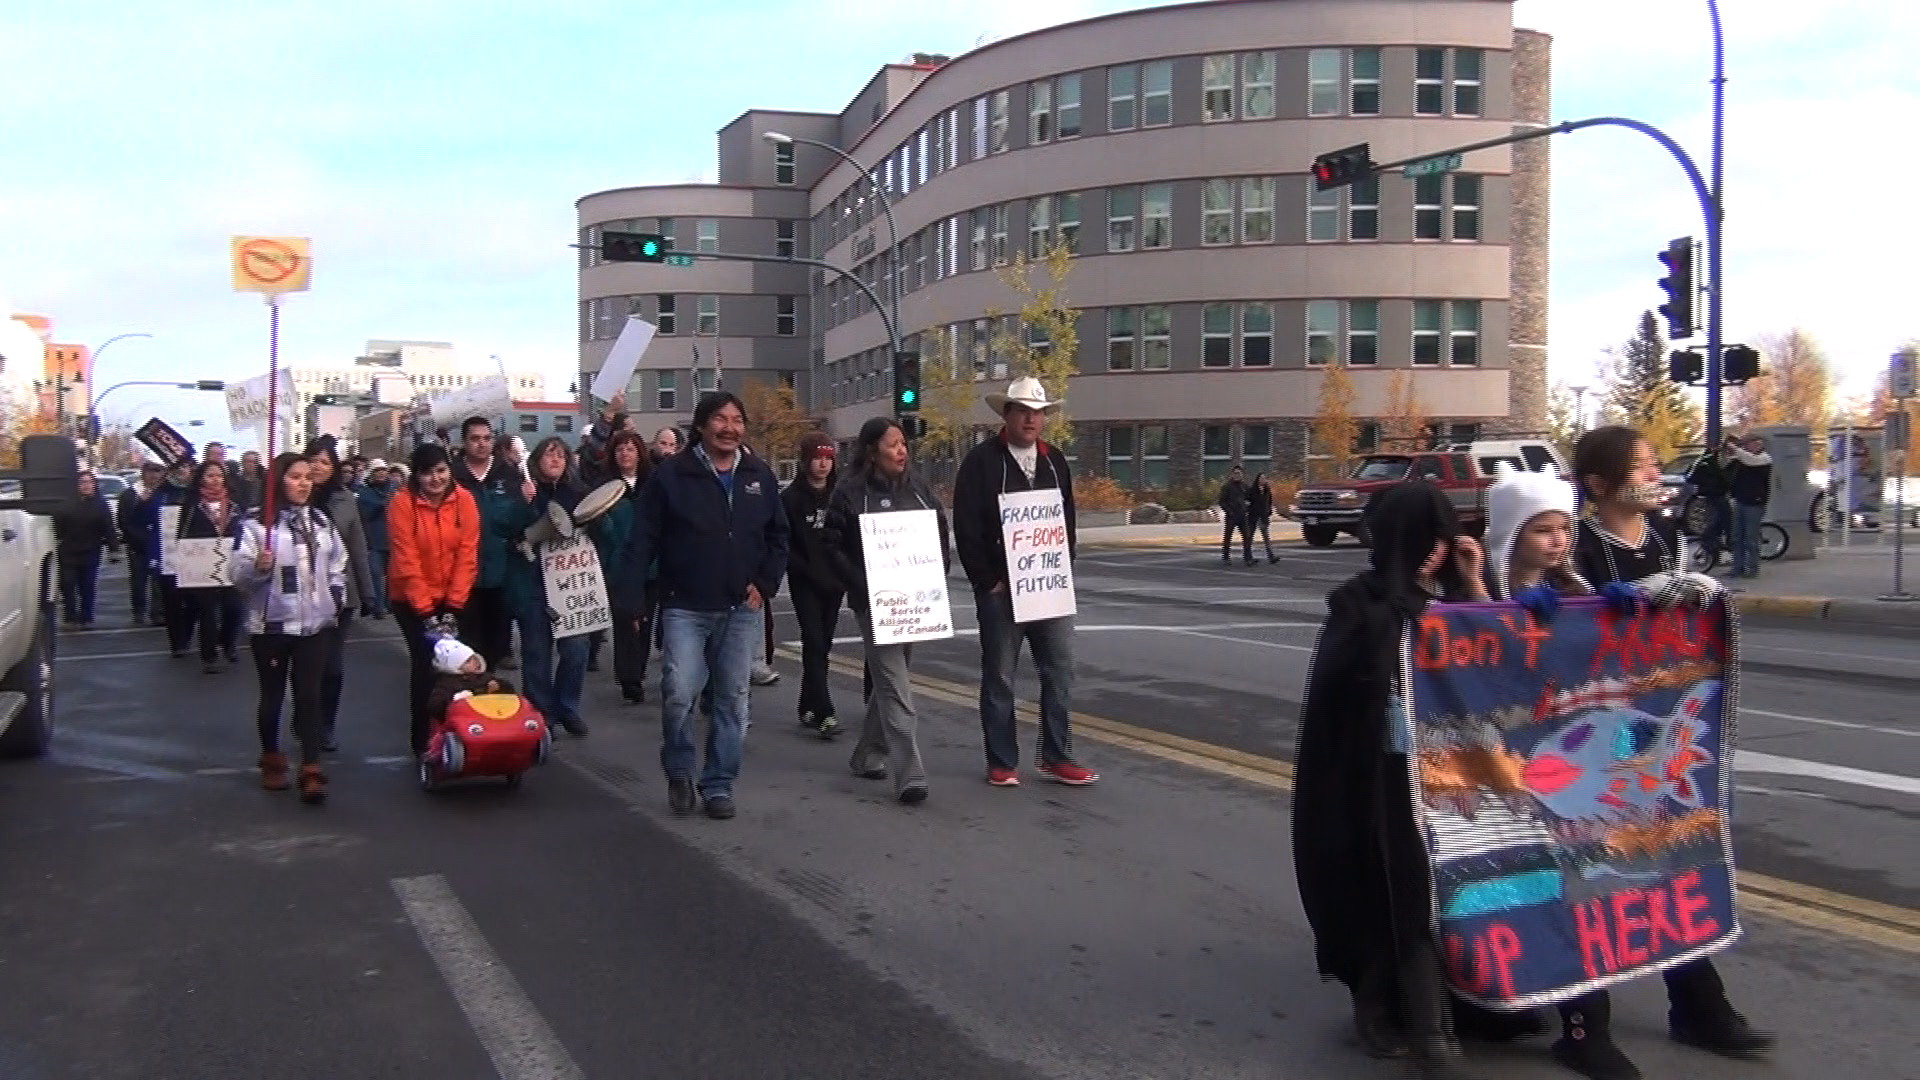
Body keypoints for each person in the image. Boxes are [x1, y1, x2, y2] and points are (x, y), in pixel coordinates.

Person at [1565, 425, 1773, 1076]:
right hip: (1595, 750)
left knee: (1674, 866)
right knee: (1590, 881)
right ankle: (1582, 1026)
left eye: (1656, 464)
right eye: (1643, 466)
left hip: (1656, 740)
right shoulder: (1578, 548)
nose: (1655, 474)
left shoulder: (1660, 541)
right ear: (1600, 486)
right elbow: (1559, 642)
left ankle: (1698, 1006)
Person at [1294, 481, 1490, 1080]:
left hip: (1455, 775)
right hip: (1376, 776)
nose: (1436, 550)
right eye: (1425, 539)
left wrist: (1474, 581)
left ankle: (1456, 995)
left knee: (1452, 885)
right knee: (1388, 886)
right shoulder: (1357, 600)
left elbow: (1505, 653)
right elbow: (1350, 677)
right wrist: (1409, 607)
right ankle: (1377, 998)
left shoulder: (1458, 597)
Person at [618, 391, 788, 820]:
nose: (729, 427)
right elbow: (643, 540)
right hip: (684, 607)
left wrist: (764, 584)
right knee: (678, 693)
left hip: (740, 609)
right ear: (701, 426)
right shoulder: (672, 476)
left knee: (732, 701)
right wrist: (632, 596)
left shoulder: (759, 475)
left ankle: (718, 784)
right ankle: (679, 768)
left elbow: (779, 538)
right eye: (719, 419)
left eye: (737, 419)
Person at [951, 376, 1096, 787]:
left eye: (1038, 412)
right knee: (1000, 675)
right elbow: (966, 525)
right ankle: (1002, 761)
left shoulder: (1055, 461)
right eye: (1023, 411)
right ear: (1007, 414)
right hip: (1001, 590)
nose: (1031, 419)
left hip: (1048, 586)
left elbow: (1065, 521)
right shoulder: (980, 462)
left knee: (1060, 671)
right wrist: (987, 580)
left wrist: (1061, 568)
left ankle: (1057, 755)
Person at [825, 417, 950, 804]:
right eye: (893, 444)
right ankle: (910, 773)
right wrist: (863, 584)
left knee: (889, 679)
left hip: (914, 601)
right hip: (874, 603)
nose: (902, 451)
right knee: (895, 683)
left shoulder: (918, 487)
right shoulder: (849, 492)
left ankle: (867, 753)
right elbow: (831, 546)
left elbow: (940, 530)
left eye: (903, 444)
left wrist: (937, 573)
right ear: (871, 451)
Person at [233, 452, 348, 804]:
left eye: (307, 477)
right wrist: (258, 567)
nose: (303, 483)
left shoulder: (320, 522)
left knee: (310, 695)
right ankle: (272, 759)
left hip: (315, 625)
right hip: (271, 626)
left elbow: (336, 562)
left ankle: (311, 768)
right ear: (279, 481)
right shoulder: (256, 525)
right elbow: (238, 577)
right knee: (273, 696)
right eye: (295, 477)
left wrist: (336, 595)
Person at [388, 442, 482, 759]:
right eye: (427, 473)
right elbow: (406, 560)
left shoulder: (465, 500)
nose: (435, 479)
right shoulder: (402, 504)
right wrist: (426, 612)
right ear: (416, 475)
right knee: (427, 665)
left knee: (459, 666)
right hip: (412, 599)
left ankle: (460, 733)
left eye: (441, 470)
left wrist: (454, 607)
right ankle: (423, 741)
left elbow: (467, 555)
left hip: (454, 595)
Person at [498, 436, 594, 737]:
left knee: (576, 649)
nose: (556, 460)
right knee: (537, 651)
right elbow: (504, 527)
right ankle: (542, 713)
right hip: (533, 583)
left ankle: (568, 706)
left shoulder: (577, 493)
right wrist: (524, 505)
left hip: (569, 586)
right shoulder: (522, 491)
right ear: (537, 460)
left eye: (561, 456)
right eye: (550, 455)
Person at [306, 436, 377, 753]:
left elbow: (358, 547)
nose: (318, 467)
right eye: (313, 460)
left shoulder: (346, 499)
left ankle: (326, 725)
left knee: (332, 666)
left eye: (325, 462)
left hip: (338, 595)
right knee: (307, 664)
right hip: (298, 596)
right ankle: (305, 719)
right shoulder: (293, 494)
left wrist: (368, 592)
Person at [782, 431, 844, 737]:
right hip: (805, 581)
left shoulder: (840, 495)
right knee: (814, 640)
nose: (822, 464)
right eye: (817, 458)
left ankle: (807, 704)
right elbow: (784, 543)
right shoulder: (791, 498)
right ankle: (824, 711)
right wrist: (804, 568)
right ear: (806, 461)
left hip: (834, 582)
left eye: (828, 458)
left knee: (823, 645)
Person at [450, 416, 523, 670]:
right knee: (467, 644)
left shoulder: (509, 474)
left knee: (495, 643)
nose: (481, 444)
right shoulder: (452, 475)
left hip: (502, 571)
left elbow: (519, 518)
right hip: (462, 572)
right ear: (464, 442)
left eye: (486, 438)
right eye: (474, 438)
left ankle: (488, 694)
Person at [591, 429, 654, 704]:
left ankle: (637, 671)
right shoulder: (605, 487)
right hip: (619, 565)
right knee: (625, 621)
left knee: (646, 622)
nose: (625, 453)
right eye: (620, 449)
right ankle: (628, 677)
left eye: (630, 448)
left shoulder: (653, 484)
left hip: (651, 566)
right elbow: (595, 525)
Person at [176, 459, 246, 673]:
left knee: (233, 608)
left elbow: (243, 532)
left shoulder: (234, 505)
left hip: (230, 563)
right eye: (210, 476)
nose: (215, 480)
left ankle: (228, 642)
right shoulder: (192, 505)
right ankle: (209, 656)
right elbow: (183, 535)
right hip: (202, 565)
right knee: (208, 611)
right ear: (201, 479)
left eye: (219, 476)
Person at [53, 469, 117, 629]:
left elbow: (108, 527)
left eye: (89, 482)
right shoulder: (67, 502)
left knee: (87, 586)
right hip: (68, 551)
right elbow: (58, 524)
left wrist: (113, 548)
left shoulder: (101, 503)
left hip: (90, 550)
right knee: (68, 585)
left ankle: (86, 617)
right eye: (82, 482)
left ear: (94, 485)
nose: (86, 485)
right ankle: (70, 617)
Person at [146, 457, 198, 655]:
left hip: (194, 555)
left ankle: (186, 632)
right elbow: (146, 523)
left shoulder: (196, 494)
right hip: (166, 556)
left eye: (187, 468)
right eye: (179, 468)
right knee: (171, 600)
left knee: (194, 601)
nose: (183, 472)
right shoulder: (160, 494)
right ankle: (177, 642)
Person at [425, 637, 517, 722]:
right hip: (462, 722)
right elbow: (435, 707)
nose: (475, 662)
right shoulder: (447, 684)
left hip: (488, 717)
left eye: (474, 658)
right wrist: (454, 699)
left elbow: (510, 693)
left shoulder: (485, 677)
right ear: (457, 668)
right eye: (468, 661)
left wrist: (499, 687)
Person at [117, 462, 165, 625]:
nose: (154, 476)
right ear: (143, 473)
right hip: (137, 545)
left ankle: (157, 613)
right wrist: (137, 539)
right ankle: (139, 611)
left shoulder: (162, 494)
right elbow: (124, 521)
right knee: (138, 581)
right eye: (151, 472)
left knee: (158, 581)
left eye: (158, 473)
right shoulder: (129, 495)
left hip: (158, 545)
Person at [1725, 434, 1773, 579]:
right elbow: (1726, 467)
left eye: (1748, 444)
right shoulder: (1741, 460)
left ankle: (1752, 568)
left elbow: (1751, 461)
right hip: (1740, 501)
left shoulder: (1764, 458)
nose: (1745, 446)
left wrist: (1735, 449)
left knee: (1751, 538)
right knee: (1737, 537)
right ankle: (1737, 568)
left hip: (1755, 503)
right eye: (1744, 444)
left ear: (1758, 444)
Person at [357, 461, 394, 617]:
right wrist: (383, 503)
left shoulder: (395, 489)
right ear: (371, 474)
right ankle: (377, 607)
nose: (381, 473)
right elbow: (364, 512)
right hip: (374, 541)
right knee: (375, 574)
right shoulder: (365, 493)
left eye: (384, 470)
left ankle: (391, 604)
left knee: (394, 576)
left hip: (394, 540)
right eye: (377, 470)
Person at [1218, 464, 1253, 566]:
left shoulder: (1245, 486)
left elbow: (1250, 499)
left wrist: (1248, 507)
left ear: (1242, 474)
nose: (1237, 475)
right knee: (1228, 537)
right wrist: (1229, 511)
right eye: (1235, 473)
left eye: (1239, 473)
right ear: (1232, 474)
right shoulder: (1227, 487)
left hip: (1243, 515)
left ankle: (1248, 558)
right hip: (1231, 516)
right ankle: (1226, 557)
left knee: (1247, 537)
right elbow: (1222, 501)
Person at [1248, 472, 1279, 564]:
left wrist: (1268, 512)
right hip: (1253, 516)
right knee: (1250, 537)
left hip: (1263, 516)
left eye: (1264, 478)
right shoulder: (1252, 490)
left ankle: (1271, 556)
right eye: (1261, 478)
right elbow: (1248, 502)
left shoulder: (1267, 491)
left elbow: (1269, 502)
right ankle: (1248, 556)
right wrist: (1249, 510)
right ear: (1257, 480)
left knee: (1266, 537)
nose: (1263, 480)